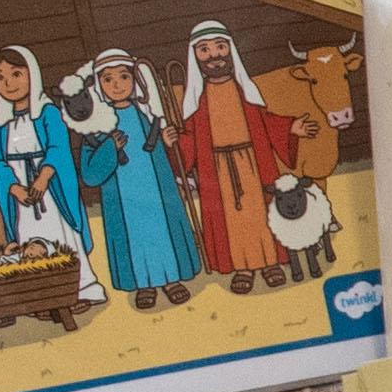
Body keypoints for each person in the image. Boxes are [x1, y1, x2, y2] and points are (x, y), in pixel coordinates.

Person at [174, 22, 301, 290]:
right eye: (204, 50)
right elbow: (190, 138)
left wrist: (290, 127)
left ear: (230, 50)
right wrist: (174, 141)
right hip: (218, 170)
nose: (214, 55)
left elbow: (264, 120)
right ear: (195, 56)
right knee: (231, 221)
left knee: (261, 214)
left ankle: (270, 263)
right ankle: (242, 269)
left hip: (253, 163)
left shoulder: (245, 90)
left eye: (220, 47)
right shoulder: (197, 100)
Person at [74, 48, 201, 305]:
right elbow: (90, 173)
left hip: (154, 187)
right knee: (136, 237)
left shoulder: (146, 114)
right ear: (98, 84)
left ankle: (170, 278)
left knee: (160, 230)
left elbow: (157, 150)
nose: (117, 85)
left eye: (124, 77)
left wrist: (166, 142)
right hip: (124, 195)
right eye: (108, 79)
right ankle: (144, 284)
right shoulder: (97, 125)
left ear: (135, 80)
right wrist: (110, 148)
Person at [0, 46, 99, 306]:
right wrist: (14, 188)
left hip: (51, 192)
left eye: (16, 74)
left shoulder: (47, 112)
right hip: (22, 198)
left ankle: (79, 289)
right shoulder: (1, 123)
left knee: (61, 238)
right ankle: (44, 297)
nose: (9, 83)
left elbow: (58, 148)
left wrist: (43, 178)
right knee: (29, 244)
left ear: (31, 73)